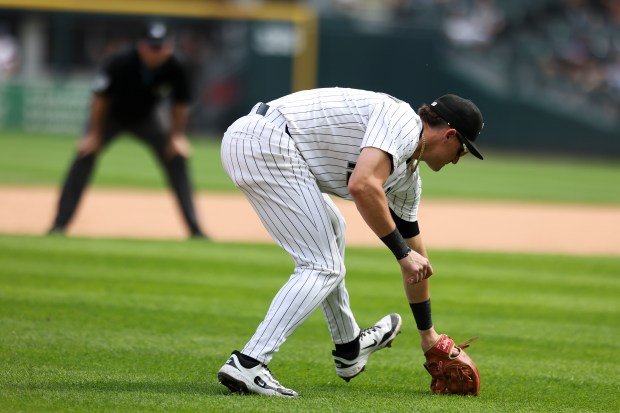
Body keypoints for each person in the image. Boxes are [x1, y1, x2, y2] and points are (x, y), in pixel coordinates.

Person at [217, 87, 484, 397]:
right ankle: (249, 362)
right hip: (264, 139)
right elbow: (362, 185)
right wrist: (402, 254)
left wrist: (428, 334)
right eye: (462, 151)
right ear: (449, 135)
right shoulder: (402, 121)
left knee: (334, 229)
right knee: (321, 265)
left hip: (273, 147)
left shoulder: (407, 181)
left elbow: (418, 262)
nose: (456, 161)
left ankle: (349, 348)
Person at [48, 22, 206, 238]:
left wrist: (176, 136)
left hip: (147, 117)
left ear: (169, 47)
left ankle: (195, 229)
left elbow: (179, 105)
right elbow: (99, 99)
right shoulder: (120, 61)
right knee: (84, 155)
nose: (157, 52)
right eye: (152, 47)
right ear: (141, 46)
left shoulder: (176, 65)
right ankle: (59, 225)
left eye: (161, 47)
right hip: (110, 116)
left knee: (176, 158)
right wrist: (93, 135)